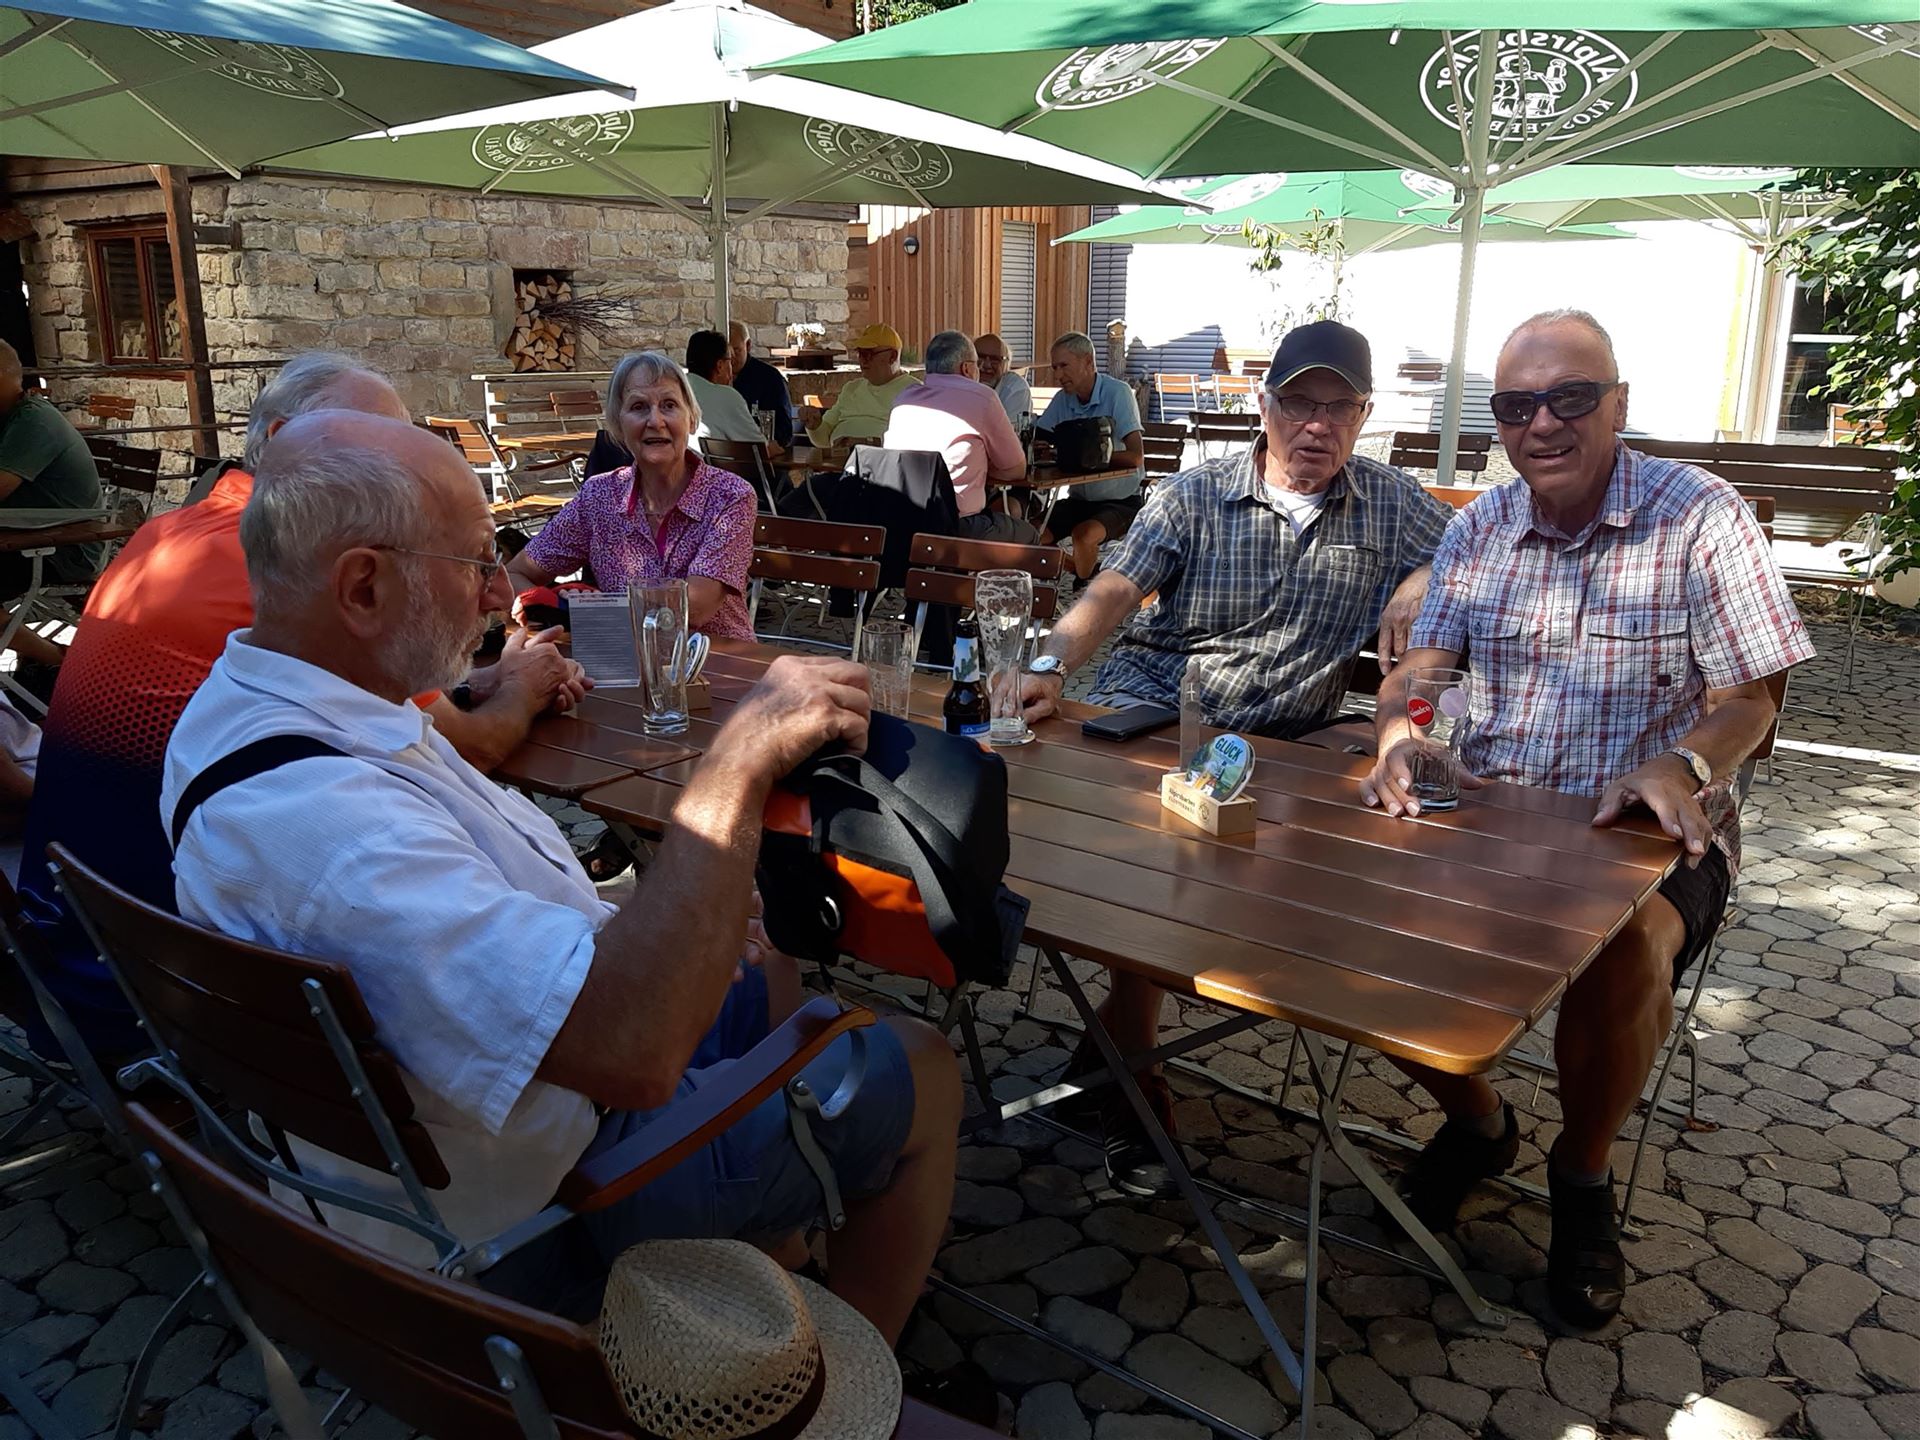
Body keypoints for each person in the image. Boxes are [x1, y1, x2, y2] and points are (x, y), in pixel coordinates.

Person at [163, 410, 961, 1355]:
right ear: (364, 586)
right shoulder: (331, 829)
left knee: (759, 953)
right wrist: (736, 763)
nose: (500, 590)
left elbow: (458, 932)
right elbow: (630, 1053)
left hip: (469, 1128)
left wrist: (649, 912)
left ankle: (764, 1259)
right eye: (474, 561)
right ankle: (844, 1377)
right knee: (921, 1062)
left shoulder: (250, 712)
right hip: (544, 1216)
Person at [1362, 309, 1811, 1330]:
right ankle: (1480, 1124)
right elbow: (1422, 673)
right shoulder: (1482, 526)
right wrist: (1396, 737)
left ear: (1618, 404)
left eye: (1570, 398)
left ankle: (1582, 1174)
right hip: (1494, 817)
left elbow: (1752, 703)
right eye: (1516, 405)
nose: (1543, 424)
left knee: (1621, 946)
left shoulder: (1698, 515)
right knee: (1334, 914)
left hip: (1652, 830)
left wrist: (1680, 760)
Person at [11, 353, 587, 1059]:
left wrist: (480, 678)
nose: (398, 468)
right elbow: (470, 746)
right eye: (370, 447)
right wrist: (524, 686)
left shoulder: (170, 533)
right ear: (287, 442)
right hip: (156, 997)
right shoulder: (285, 571)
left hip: (81, 939)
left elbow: (380, 706)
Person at [1017, 320, 1452, 1198]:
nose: (1315, 424)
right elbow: (1115, 586)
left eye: (1338, 407)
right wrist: (1050, 665)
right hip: (1151, 716)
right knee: (1145, 865)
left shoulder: (1393, 503)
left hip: (1276, 749)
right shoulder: (1195, 493)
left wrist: (1420, 580)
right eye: (1297, 403)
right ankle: (1133, 1078)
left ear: (1365, 416)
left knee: (1209, 871)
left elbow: (1467, 555)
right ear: (1264, 405)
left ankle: (1114, 1062)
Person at [509, 351, 757, 642]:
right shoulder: (599, 497)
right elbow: (515, 575)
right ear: (618, 425)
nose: (655, 420)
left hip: (717, 663)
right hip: (621, 661)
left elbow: (693, 609)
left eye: (669, 405)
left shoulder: (730, 497)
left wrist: (587, 610)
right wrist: (550, 607)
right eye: (638, 407)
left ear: (691, 419)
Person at [0, 340, 105, 676]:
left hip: (63, 549)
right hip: (25, 538)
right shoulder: (11, 416)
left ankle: (56, 659)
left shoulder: (33, 421)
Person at [882, 331, 1036, 542]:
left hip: (903, 522)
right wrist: (981, 465)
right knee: (1029, 535)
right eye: (977, 363)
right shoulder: (983, 397)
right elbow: (1016, 469)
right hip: (955, 525)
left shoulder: (904, 398)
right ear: (967, 368)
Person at [1034, 331, 1147, 581]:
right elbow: (1037, 439)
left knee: (1083, 536)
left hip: (1121, 501)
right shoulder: (1063, 399)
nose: (1058, 375)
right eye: (1054, 368)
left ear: (1088, 362)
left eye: (1064, 366)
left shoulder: (1118, 393)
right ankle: (1084, 573)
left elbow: (1136, 457)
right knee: (1032, 535)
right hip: (1078, 500)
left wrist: (1085, 455)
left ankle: (1087, 589)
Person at [801, 324, 916, 447]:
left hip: (881, 458)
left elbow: (913, 440)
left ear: (892, 356)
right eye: (860, 353)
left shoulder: (914, 391)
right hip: (840, 457)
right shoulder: (851, 388)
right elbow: (824, 440)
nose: (862, 360)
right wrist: (815, 426)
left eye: (868, 354)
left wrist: (867, 443)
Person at [685, 329, 780, 454]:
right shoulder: (725, 396)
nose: (732, 368)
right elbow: (760, 449)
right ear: (720, 366)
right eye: (730, 360)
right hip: (717, 466)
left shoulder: (677, 389)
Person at [729, 321, 796, 450]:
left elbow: (784, 432)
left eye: (736, 350)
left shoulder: (769, 378)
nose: (730, 358)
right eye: (725, 352)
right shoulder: (710, 379)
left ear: (748, 345)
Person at [974, 333, 1031, 428]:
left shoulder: (1016, 388)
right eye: (980, 357)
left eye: (995, 359)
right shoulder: (958, 385)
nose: (987, 365)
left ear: (1006, 364)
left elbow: (1009, 433)